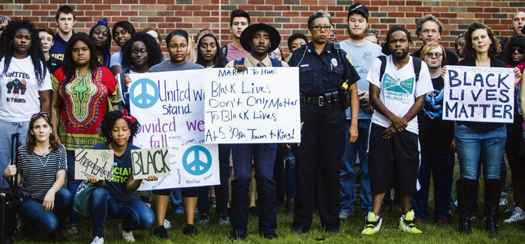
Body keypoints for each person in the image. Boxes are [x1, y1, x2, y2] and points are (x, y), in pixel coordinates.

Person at [289, 10, 360, 234]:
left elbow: (354, 91)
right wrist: (287, 128)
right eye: (318, 26)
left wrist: (354, 124)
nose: (322, 30)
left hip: (333, 117)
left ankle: (331, 222)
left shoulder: (340, 55)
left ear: (331, 30)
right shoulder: (298, 56)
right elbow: (286, 93)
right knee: (304, 169)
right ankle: (302, 221)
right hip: (305, 118)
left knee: (331, 169)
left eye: (326, 27)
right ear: (310, 30)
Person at [362, 25, 433, 235]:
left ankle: (407, 218)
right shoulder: (380, 63)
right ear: (388, 44)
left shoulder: (418, 66)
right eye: (393, 41)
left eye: (402, 40)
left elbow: (421, 99)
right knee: (379, 170)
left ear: (409, 43)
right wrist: (393, 120)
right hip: (381, 127)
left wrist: (402, 123)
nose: (398, 44)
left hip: (409, 128)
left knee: (407, 172)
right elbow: (374, 97)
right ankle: (373, 218)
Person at [453, 22, 521, 235]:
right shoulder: (462, 67)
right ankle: (465, 220)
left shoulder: (502, 69)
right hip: (468, 130)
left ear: (490, 40)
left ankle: (491, 220)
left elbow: (503, 101)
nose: (480, 41)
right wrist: (450, 82)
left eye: (483, 37)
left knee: (493, 175)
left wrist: (512, 86)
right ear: (471, 43)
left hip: (495, 130)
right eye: (475, 38)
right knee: (468, 174)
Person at [51, 33, 121, 235]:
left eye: (84, 49)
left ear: (91, 51)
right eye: (75, 49)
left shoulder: (105, 74)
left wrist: (113, 133)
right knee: (73, 181)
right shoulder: (60, 75)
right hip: (68, 139)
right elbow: (54, 105)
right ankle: (73, 221)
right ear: (69, 52)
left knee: (98, 181)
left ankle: (99, 219)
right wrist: (54, 133)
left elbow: (114, 104)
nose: (80, 53)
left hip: (98, 139)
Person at [225, 22, 289, 240]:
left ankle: (268, 228)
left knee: (265, 177)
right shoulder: (234, 66)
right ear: (249, 41)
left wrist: (289, 130)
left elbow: (289, 102)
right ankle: (239, 229)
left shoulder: (282, 69)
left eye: (266, 37)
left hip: (268, 132)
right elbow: (223, 99)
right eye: (257, 37)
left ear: (271, 43)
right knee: (241, 177)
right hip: (241, 132)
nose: (261, 41)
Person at [148, 29, 204, 239]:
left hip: (191, 131)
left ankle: (190, 223)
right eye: (174, 45)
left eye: (182, 45)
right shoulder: (155, 71)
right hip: (162, 131)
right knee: (162, 176)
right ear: (167, 47)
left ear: (188, 46)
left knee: (191, 175)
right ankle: (159, 224)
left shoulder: (198, 70)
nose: (178, 49)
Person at [338, 3, 382, 220]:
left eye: (361, 20)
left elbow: (385, 81)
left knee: (368, 166)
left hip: (372, 116)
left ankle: (367, 207)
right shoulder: (338, 48)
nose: (356, 24)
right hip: (345, 116)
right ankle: (345, 206)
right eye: (353, 19)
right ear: (347, 22)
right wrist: (353, 95)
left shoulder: (378, 51)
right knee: (344, 165)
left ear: (367, 24)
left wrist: (371, 95)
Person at [88, 110, 156, 244]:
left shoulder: (137, 153)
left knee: (148, 219)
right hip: (108, 201)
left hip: (129, 201)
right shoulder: (100, 150)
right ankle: (98, 236)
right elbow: (100, 186)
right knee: (98, 193)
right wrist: (96, 178)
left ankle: (126, 227)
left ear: (130, 132)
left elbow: (130, 188)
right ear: (109, 132)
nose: (120, 134)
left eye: (124, 130)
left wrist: (140, 175)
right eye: (116, 130)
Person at [3, 112, 71, 242]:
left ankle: (57, 229)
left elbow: (61, 178)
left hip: (51, 197)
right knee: (50, 223)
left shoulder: (59, 149)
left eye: (45, 126)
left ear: (51, 129)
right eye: (37, 127)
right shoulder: (23, 151)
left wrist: (51, 191)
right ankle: (31, 227)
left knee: (66, 195)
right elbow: (16, 181)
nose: (41, 130)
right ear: (32, 131)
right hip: (30, 199)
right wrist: (7, 175)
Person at [0, 19, 52, 186]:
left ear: (32, 41)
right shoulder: (1, 62)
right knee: (4, 171)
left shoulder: (39, 66)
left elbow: (45, 100)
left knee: (29, 170)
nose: (23, 41)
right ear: (10, 38)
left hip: (30, 124)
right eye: (19, 37)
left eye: (27, 38)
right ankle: (5, 208)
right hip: (4, 122)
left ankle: (25, 207)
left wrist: (44, 125)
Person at [411, 42, 455, 227]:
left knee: (444, 180)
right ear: (423, 58)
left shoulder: (452, 81)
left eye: (438, 54)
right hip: (421, 139)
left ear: (443, 58)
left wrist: (455, 136)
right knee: (419, 180)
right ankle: (419, 212)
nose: (434, 57)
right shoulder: (416, 79)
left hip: (445, 139)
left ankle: (442, 214)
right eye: (430, 54)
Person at [194, 32, 231, 226]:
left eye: (212, 45)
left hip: (222, 127)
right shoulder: (192, 71)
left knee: (222, 171)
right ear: (198, 49)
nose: (208, 49)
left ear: (218, 48)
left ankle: (223, 212)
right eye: (204, 45)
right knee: (201, 170)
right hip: (197, 127)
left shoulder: (227, 70)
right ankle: (203, 212)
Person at [500, 35, 525, 223]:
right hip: (510, 123)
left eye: (521, 50)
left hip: (522, 122)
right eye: (513, 49)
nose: (516, 53)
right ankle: (518, 204)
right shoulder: (503, 70)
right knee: (515, 165)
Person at [118, 32, 163, 111]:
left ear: (150, 53)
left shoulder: (159, 76)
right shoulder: (121, 78)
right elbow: (119, 106)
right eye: (134, 52)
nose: (138, 54)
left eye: (143, 51)